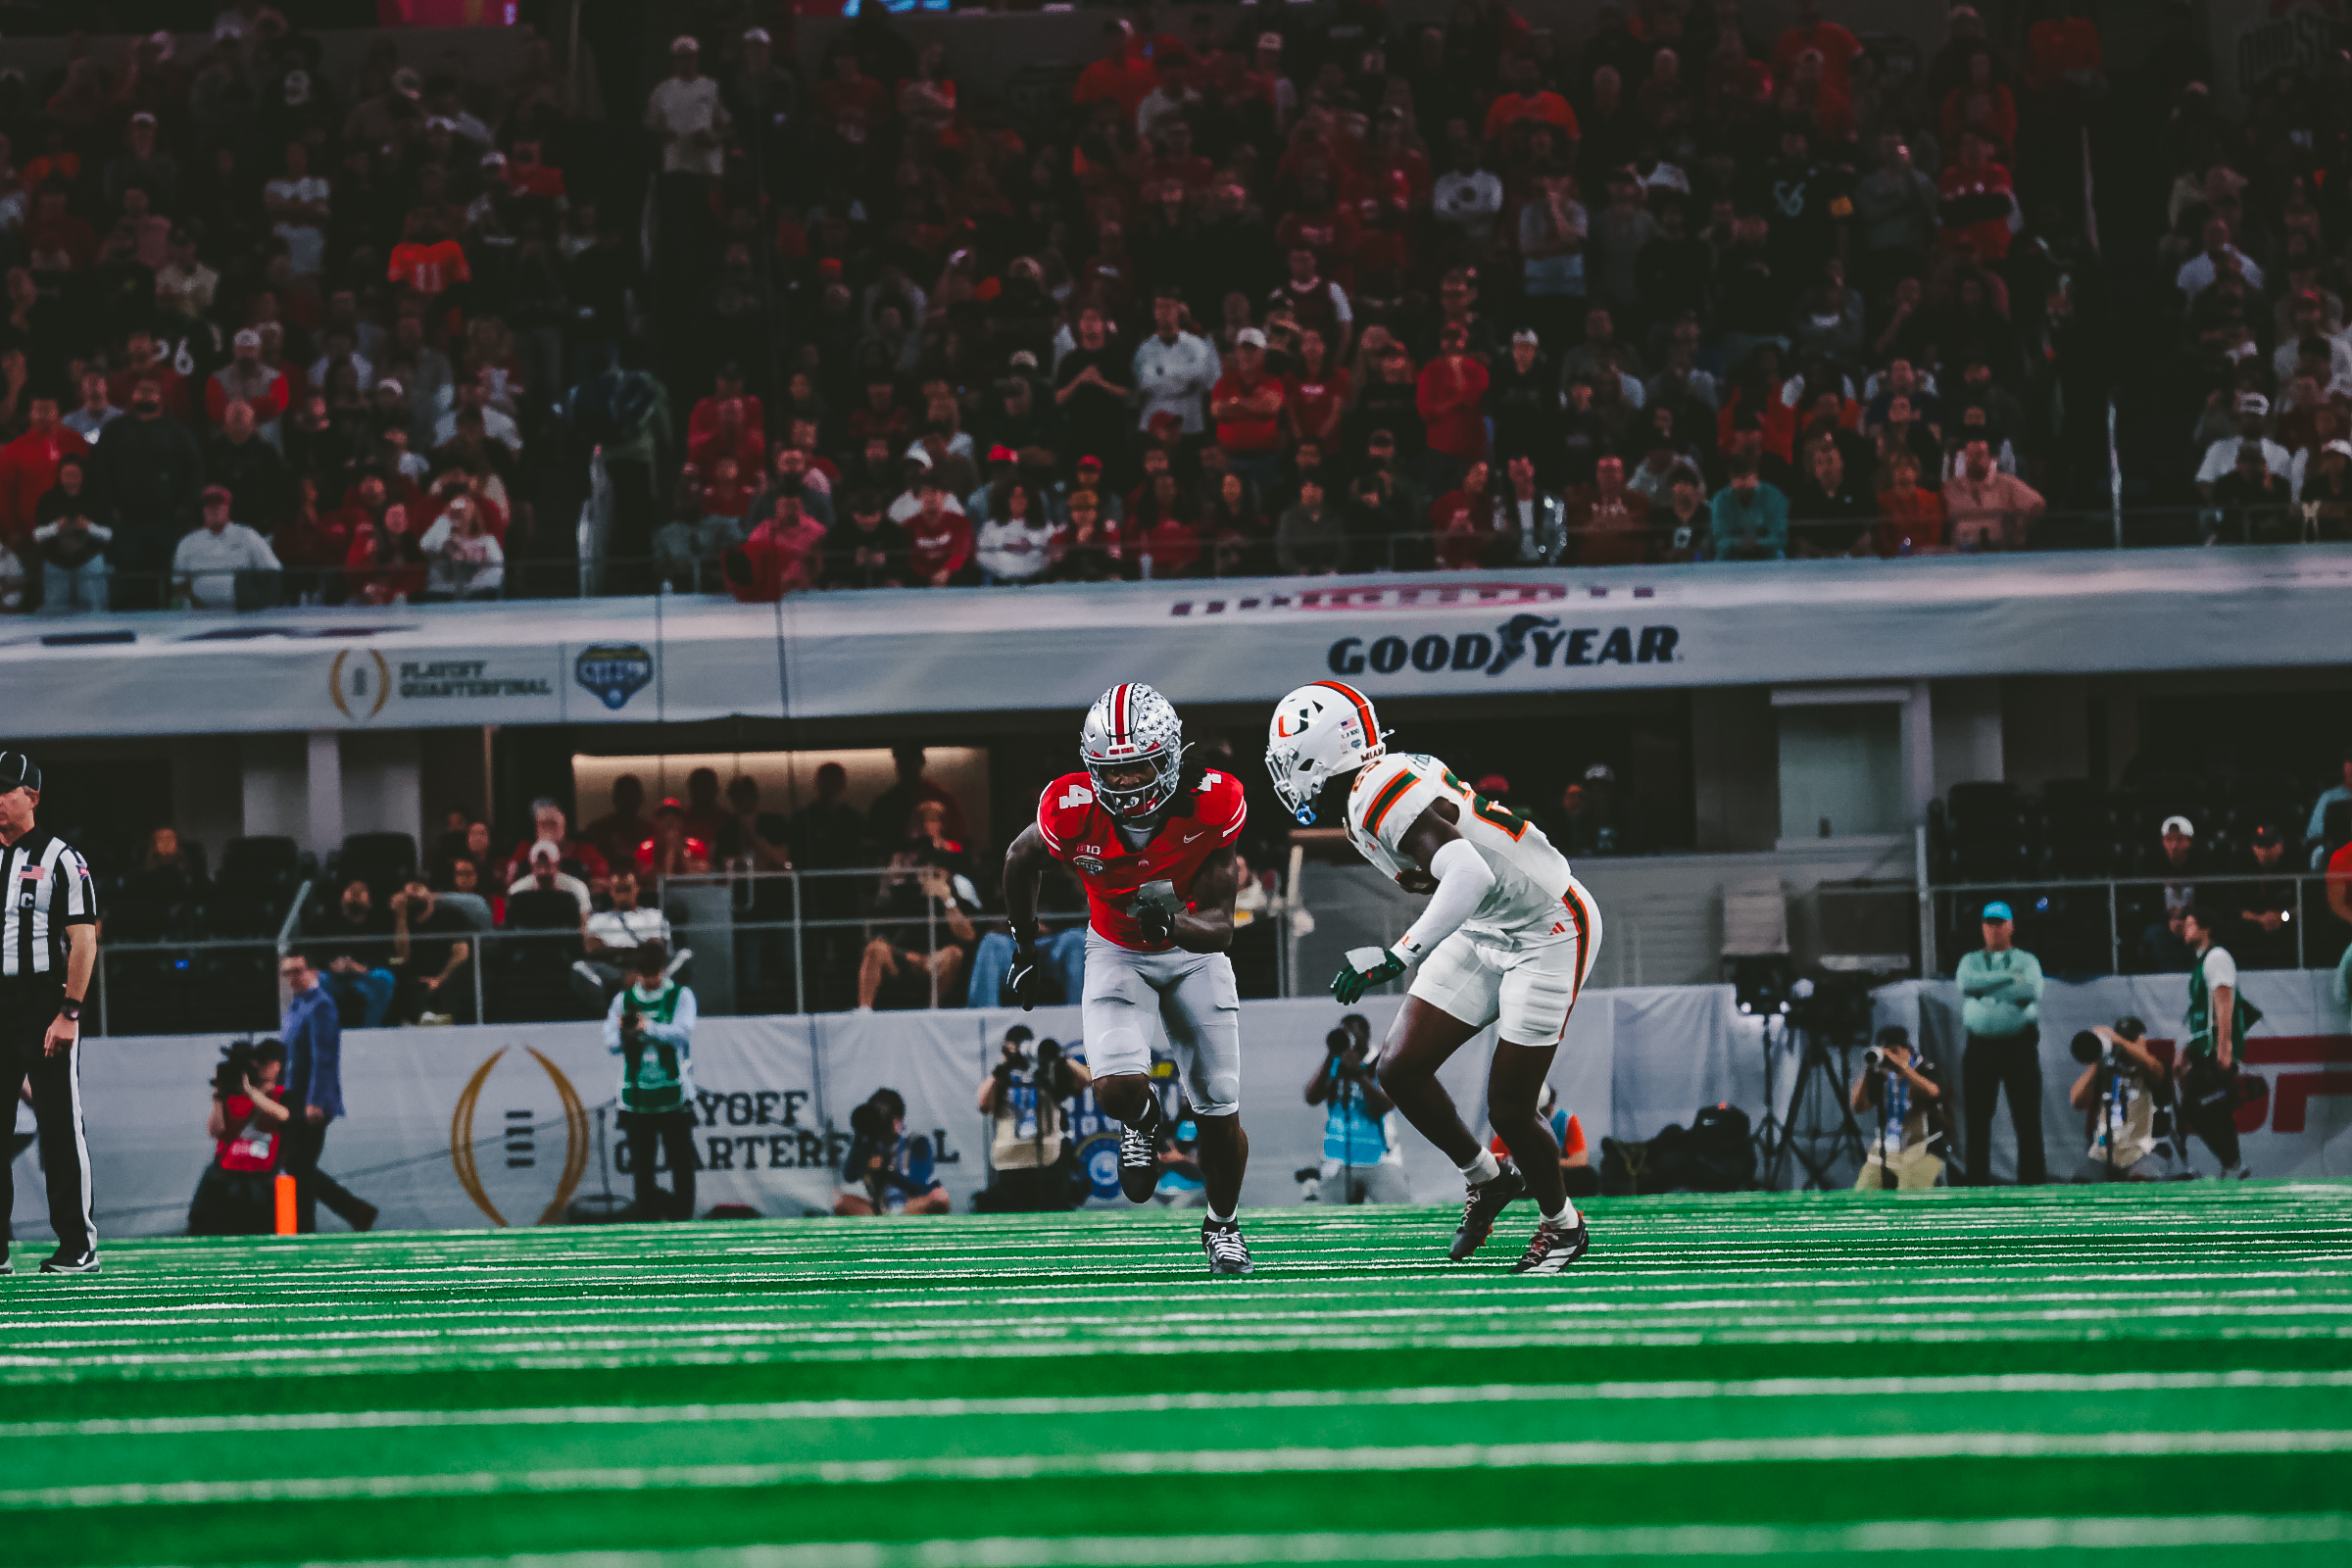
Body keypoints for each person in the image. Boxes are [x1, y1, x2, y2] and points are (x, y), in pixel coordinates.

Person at [1269, 683, 1602, 1274]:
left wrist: (1399, 955)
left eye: (1291, 757)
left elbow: (1469, 874)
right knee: (1398, 1068)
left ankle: (1563, 1226)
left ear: (1322, 752)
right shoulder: (1369, 788)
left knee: (1510, 1108)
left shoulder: (1375, 790)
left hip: (1548, 928)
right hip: (1488, 926)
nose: (1285, 772)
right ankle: (1489, 1178)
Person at [1000, 681, 1256, 1275]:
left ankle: (1222, 1226)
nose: (1124, 783)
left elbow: (1220, 929)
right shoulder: (1071, 809)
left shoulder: (1212, 803)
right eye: (1112, 771)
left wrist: (1173, 924)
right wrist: (1024, 946)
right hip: (1116, 948)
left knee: (1219, 1103)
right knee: (1114, 1089)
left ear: (1169, 758)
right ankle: (1143, 1121)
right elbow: (1018, 858)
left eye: (1138, 768)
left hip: (1192, 953)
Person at [0, 752, 101, 1273]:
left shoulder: (61, 858)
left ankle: (77, 1245)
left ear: (32, 797)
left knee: (59, 1121)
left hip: (42, 1000)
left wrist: (70, 1011)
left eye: (6, 790)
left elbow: (84, 939)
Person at [275, 952, 376, 1233]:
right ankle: (355, 1211)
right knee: (297, 1165)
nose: (292, 978)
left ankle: (310, 1227)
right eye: (287, 973)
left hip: (311, 1098)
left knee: (299, 1164)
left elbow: (325, 1056)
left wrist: (316, 1100)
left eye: (297, 971)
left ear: (313, 972)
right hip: (294, 1096)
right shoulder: (296, 1007)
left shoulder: (321, 1005)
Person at [604, 942, 699, 1221]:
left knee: (681, 1162)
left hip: (674, 1093)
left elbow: (682, 1033)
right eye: (644, 973)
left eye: (654, 972)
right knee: (642, 1166)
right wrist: (625, 1032)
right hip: (637, 1097)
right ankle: (648, 1219)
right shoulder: (623, 1001)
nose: (649, 979)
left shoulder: (681, 996)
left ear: (663, 969)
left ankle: (683, 1218)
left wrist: (648, 1026)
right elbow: (611, 1044)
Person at [1955, 900, 2045, 1186]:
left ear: (2011, 926)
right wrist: (2008, 978)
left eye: (1999, 923)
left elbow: (2028, 990)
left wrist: (1985, 988)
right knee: (1976, 1120)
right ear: (1982, 927)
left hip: (2019, 1046)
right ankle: (1976, 1185)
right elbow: (1966, 984)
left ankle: (2032, 1185)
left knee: (2027, 1119)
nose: (1993, 929)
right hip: (1980, 1047)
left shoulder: (2027, 961)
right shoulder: (1970, 960)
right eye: (1989, 923)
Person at [974, 1025, 1093, 1213]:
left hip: (1048, 1158)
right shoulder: (1001, 1075)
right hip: (1010, 1160)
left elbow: (1085, 1080)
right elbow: (983, 1104)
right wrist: (1004, 1066)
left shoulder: (1048, 1070)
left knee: (1055, 1215)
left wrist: (1057, 1056)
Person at [2178, 906, 2257, 1177]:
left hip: (2214, 1048)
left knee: (2194, 1106)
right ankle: (2233, 1164)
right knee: (2217, 1106)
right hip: (2203, 1047)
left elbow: (2224, 1003)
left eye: (2190, 924)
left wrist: (2224, 1048)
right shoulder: (2201, 963)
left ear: (2206, 928)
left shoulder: (2217, 957)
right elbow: (2199, 1014)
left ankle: (2232, 1162)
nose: (2185, 928)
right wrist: (2186, 1052)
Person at [188, 1038, 292, 1236]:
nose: (257, 1066)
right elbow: (216, 1130)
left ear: (276, 1066)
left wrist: (252, 1092)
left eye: (263, 1062)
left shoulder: (281, 1095)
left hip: (265, 1178)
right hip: (228, 1177)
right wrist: (218, 1095)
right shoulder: (234, 1097)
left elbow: (283, 1115)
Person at [1304, 1019, 1408, 1203]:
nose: (1348, 1041)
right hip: (1336, 1158)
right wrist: (1331, 1056)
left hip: (1380, 1157)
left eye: (1352, 1035)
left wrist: (1358, 1074)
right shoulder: (1335, 1063)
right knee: (1332, 1217)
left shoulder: (1381, 1061)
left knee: (1398, 1210)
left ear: (1365, 1036)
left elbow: (1385, 1105)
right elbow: (1312, 1097)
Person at [2069, 1018, 2173, 1183]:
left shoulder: (2149, 1068)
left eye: (2132, 1040)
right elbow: (2077, 1101)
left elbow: (2156, 1071)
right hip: (2104, 1153)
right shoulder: (2106, 1070)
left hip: (2146, 1151)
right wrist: (2099, 1060)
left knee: (2139, 1180)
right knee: (2081, 1182)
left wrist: (2122, 1043)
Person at [1848, 1025, 1946, 1190]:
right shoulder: (1881, 1073)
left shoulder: (1923, 1066)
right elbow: (1859, 1106)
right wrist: (1869, 1069)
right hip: (1888, 1144)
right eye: (1886, 1052)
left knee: (1910, 1188)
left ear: (1907, 1049)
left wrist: (1904, 1068)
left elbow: (1934, 1092)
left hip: (1923, 1145)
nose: (1890, 1057)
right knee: (1864, 1190)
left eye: (1894, 1051)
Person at [835, 1088, 951, 1215]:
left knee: (939, 1197)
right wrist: (859, 1135)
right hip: (878, 1207)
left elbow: (917, 1184)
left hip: (910, 1205)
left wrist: (885, 1171)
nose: (879, 1123)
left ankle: (896, 1215)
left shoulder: (916, 1142)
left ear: (898, 1119)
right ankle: (883, 1217)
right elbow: (850, 1177)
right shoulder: (869, 1145)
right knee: (842, 1202)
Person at [570, 869, 672, 1012]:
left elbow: (659, 947)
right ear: (611, 892)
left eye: (627, 889)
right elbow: (591, 948)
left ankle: (662, 1005)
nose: (623, 895)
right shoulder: (597, 920)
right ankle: (607, 1012)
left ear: (637, 889)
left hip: (648, 967)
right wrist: (626, 971)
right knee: (579, 967)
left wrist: (638, 969)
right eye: (619, 890)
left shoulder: (655, 916)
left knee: (684, 956)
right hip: (613, 969)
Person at [304, 878, 395, 1029]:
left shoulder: (378, 925)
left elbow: (392, 958)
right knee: (311, 979)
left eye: (361, 892)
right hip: (333, 976)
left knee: (386, 977)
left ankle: (370, 1029)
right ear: (341, 900)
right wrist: (331, 964)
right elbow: (313, 952)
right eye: (352, 891)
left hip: (365, 975)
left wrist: (363, 967)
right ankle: (325, 1030)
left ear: (370, 903)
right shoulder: (325, 922)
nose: (356, 895)